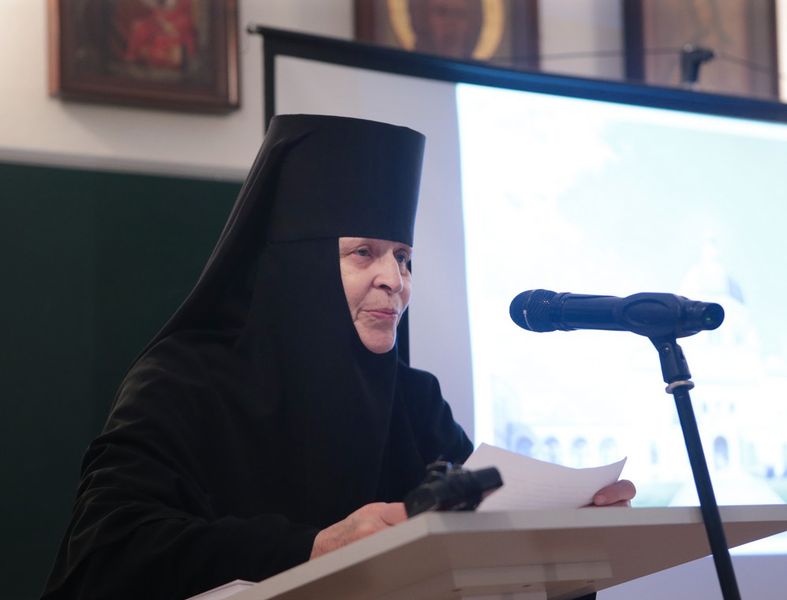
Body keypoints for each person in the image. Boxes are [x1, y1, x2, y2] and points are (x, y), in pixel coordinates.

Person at [42, 115, 634, 599]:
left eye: (403, 258)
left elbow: (479, 556)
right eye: (364, 253)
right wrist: (313, 548)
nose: (394, 280)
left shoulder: (415, 401)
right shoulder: (183, 380)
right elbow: (107, 550)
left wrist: (561, 540)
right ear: (297, 269)